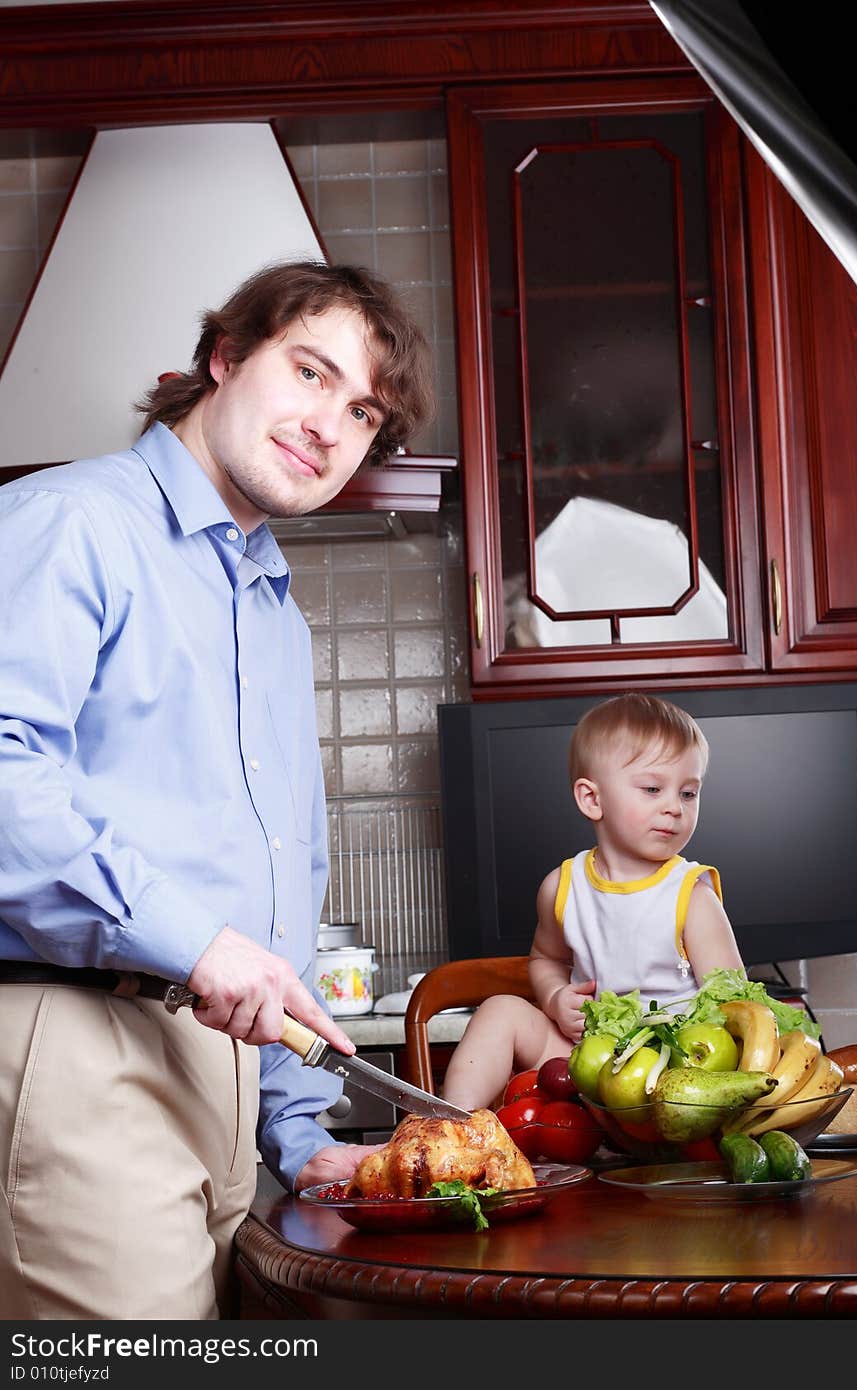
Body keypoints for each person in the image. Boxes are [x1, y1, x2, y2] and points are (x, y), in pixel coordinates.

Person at [0, 260, 434, 1320]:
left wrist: (297, 1126)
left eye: (363, 410)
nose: (329, 424)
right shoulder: (69, 521)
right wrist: (194, 941)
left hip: (226, 1081)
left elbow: (274, 893)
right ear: (225, 357)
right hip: (79, 1047)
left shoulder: (275, 612)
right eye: (309, 371)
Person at [441, 692, 744, 1110]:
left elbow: (733, 1004)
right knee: (500, 1011)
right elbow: (545, 960)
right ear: (592, 799)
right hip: (585, 1063)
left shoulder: (691, 895)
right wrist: (554, 999)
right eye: (654, 788)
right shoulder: (562, 887)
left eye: (689, 793)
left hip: (670, 1080)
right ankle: (449, 1128)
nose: (674, 807)